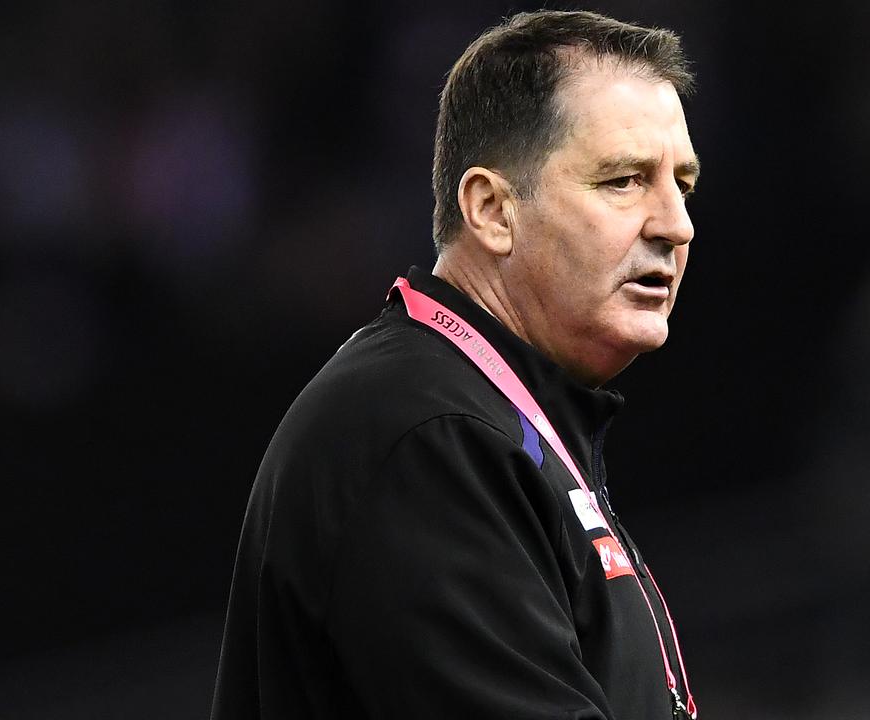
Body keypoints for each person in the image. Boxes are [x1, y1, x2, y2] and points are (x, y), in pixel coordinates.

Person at [211, 10, 701, 719]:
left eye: (682, 183)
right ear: (492, 210)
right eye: (624, 180)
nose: (675, 223)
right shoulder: (424, 433)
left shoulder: (487, 419)